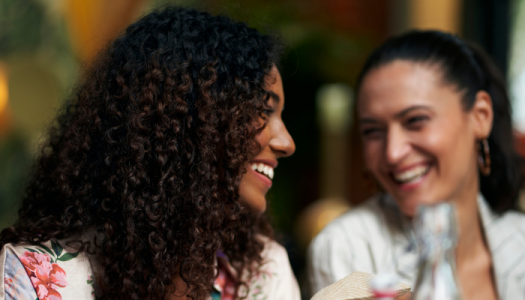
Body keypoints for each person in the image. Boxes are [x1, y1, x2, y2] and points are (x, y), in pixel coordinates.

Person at [0, 6, 299, 300]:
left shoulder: (264, 274)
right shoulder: (35, 276)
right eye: (264, 110)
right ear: (188, 119)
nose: (287, 143)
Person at [308, 30, 525, 300]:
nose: (393, 153)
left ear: (480, 116)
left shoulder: (519, 240)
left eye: (415, 121)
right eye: (373, 131)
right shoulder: (349, 245)